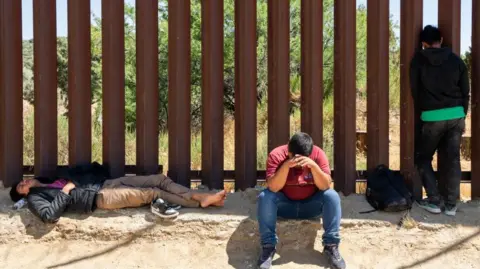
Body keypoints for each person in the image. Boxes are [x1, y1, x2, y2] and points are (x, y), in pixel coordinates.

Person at [10, 163, 226, 223]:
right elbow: (49, 216)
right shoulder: (35, 197)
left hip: (104, 183)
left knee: (158, 179)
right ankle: (200, 201)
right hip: (100, 198)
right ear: (24, 195)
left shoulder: (48, 178)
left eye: (22, 180)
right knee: (151, 193)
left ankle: (200, 197)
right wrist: (66, 191)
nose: (25, 182)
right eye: (21, 186)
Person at [256, 132, 345, 269]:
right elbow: (273, 187)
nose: (300, 163)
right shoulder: (277, 155)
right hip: (284, 206)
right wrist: (286, 166)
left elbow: (325, 186)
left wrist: (314, 166)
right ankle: (268, 247)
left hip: (310, 205)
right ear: (289, 153)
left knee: (332, 196)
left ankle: (331, 246)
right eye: (296, 158)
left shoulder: (318, 154)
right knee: (265, 197)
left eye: (304, 159)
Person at [410, 25, 470, 217]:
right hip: (456, 115)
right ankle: (451, 205)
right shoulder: (456, 61)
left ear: (424, 44)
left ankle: (434, 200)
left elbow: (415, 92)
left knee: (422, 157)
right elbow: (465, 91)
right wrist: (462, 114)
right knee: (453, 159)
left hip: (432, 116)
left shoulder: (418, 61)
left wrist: (424, 112)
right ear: (441, 40)